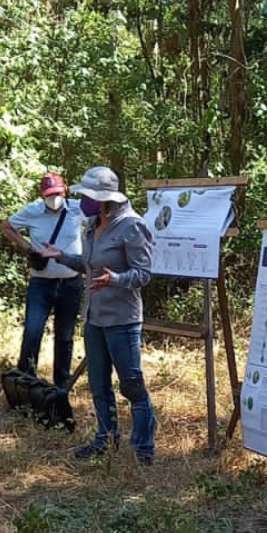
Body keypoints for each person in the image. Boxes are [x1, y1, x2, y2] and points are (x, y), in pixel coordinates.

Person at [37, 166, 157, 465]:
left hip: (122, 319)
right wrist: (61, 257)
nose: (84, 200)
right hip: (94, 317)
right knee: (99, 383)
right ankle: (105, 439)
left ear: (106, 198)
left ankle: (143, 449)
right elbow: (90, 265)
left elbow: (143, 274)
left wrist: (115, 279)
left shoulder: (132, 226)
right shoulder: (93, 223)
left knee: (132, 385)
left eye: (89, 196)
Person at [1, 173, 85, 388]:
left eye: (57, 194)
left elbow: (99, 223)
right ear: (42, 195)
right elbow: (7, 226)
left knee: (65, 336)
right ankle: (25, 380)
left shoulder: (78, 208)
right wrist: (28, 247)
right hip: (42, 283)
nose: (54, 199)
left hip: (71, 282)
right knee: (33, 331)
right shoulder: (33, 211)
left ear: (64, 191)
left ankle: (62, 385)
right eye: (49, 195)